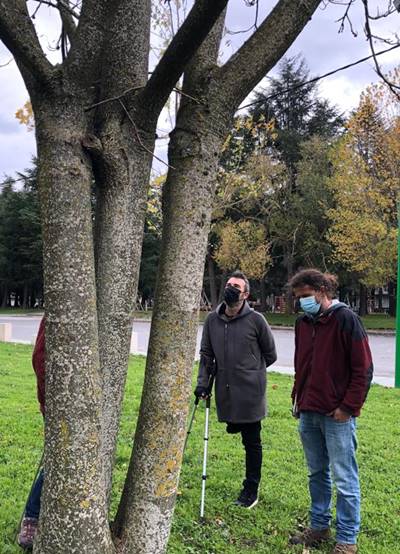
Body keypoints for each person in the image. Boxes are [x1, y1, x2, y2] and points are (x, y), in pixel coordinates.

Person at [288, 269, 373, 554]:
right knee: (316, 473)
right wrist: (297, 398)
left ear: (323, 290)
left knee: (344, 477)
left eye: (307, 296)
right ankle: (319, 526)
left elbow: (364, 369)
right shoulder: (303, 323)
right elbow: (303, 365)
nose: (302, 302)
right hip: (308, 409)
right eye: (299, 298)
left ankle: (347, 538)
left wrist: (348, 407)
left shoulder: (346, 319)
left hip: (337, 414)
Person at [195, 270, 277, 509]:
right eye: (229, 284)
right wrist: (202, 382)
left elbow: (270, 354)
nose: (231, 288)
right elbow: (206, 354)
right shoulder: (212, 320)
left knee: (252, 441)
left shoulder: (256, 320)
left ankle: (251, 489)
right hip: (225, 389)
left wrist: (249, 370)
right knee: (236, 429)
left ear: (246, 294)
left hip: (251, 392)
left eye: (236, 286)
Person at [18, 317, 45, 550]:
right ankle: (31, 515)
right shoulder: (58, 315)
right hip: (58, 406)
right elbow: (39, 358)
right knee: (54, 461)